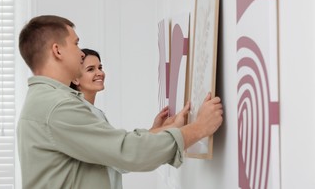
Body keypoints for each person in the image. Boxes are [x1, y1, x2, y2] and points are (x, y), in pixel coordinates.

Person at [17, 15, 223, 189]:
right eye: (76, 43)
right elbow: (126, 152)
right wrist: (199, 128)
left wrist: (160, 131)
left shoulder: (45, 101)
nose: (81, 52)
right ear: (57, 50)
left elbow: (112, 149)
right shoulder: (58, 107)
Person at [69, 48, 174, 188]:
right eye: (90, 69)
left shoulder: (91, 111)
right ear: (75, 79)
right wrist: (162, 131)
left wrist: (154, 130)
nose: (99, 73)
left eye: (100, 67)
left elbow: (117, 150)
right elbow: (120, 157)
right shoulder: (85, 114)